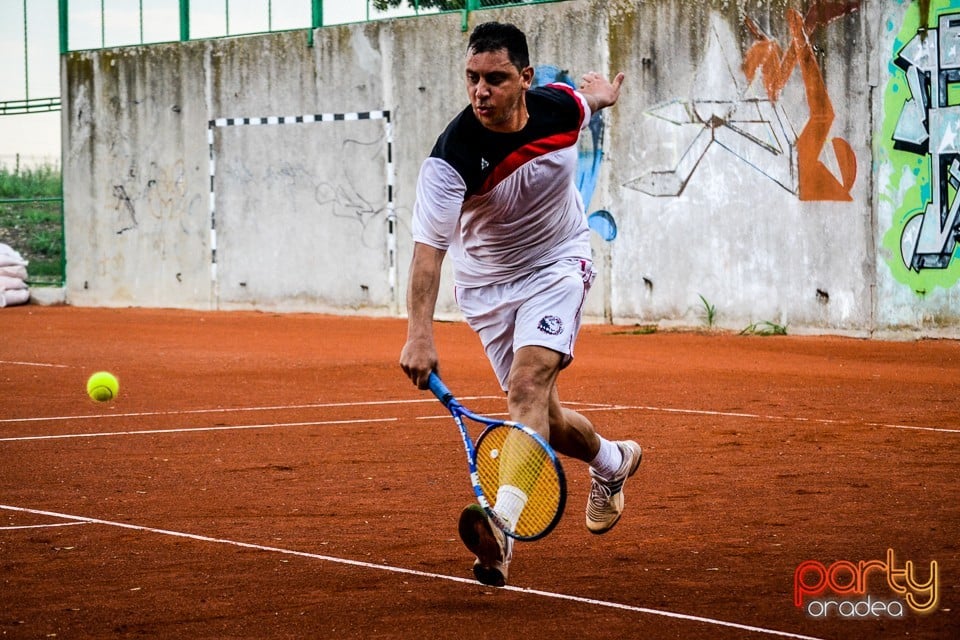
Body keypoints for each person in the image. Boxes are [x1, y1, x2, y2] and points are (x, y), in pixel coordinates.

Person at [399, 21, 641, 587]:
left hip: (559, 259)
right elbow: (428, 254)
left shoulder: (559, 110)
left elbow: (587, 102)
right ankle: (613, 460)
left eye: (496, 79)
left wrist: (601, 96)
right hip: (487, 287)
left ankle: (500, 526)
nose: (481, 91)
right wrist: (418, 332)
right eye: (472, 78)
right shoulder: (451, 157)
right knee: (544, 419)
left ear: (525, 79)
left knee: (526, 388)